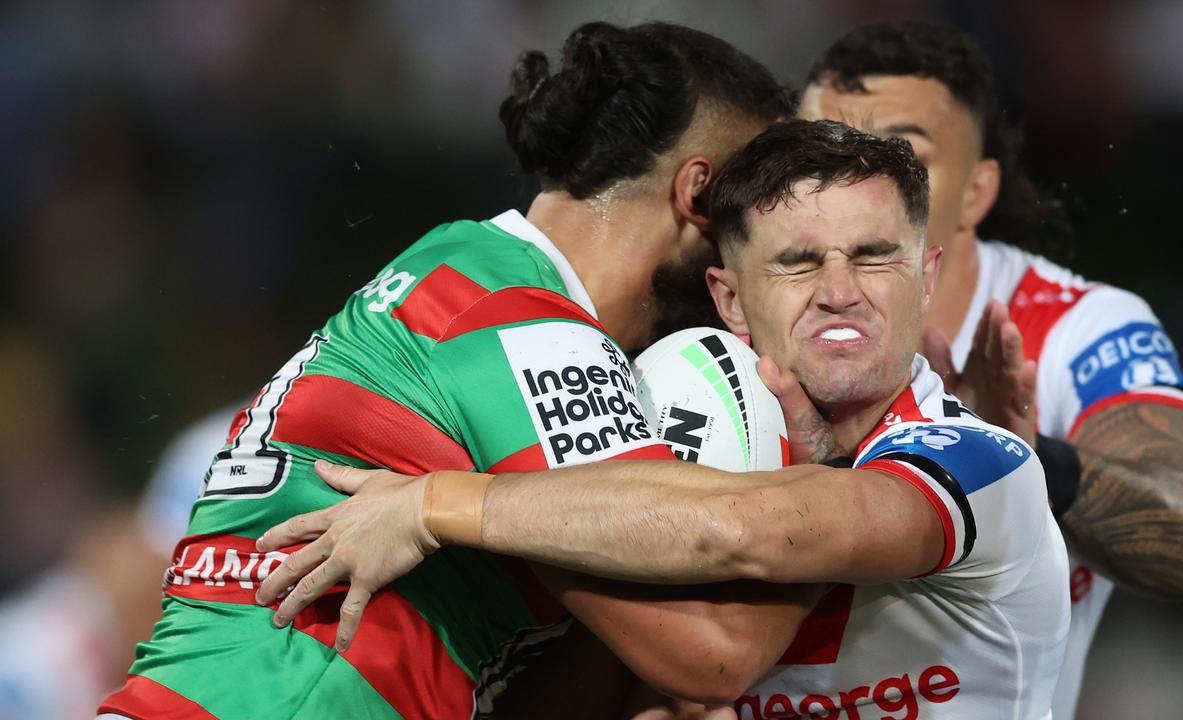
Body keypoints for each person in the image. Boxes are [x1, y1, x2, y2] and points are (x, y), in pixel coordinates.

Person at [98, 22, 803, 720]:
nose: (773, 254)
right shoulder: (518, 319)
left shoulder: (465, 274)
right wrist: (839, 465)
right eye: (757, 211)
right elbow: (714, 650)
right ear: (699, 194)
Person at [259, 120, 1071, 719]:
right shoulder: (694, 454)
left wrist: (432, 505)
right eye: (796, 262)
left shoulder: (978, 461)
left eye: (873, 256)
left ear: (927, 276)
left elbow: (740, 529)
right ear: (729, 300)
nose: (839, 289)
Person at [796, 21, 1183, 718]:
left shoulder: (1075, 328)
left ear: (976, 192)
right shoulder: (736, 316)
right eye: (822, 154)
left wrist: (1013, 463)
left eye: (902, 155)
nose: (854, 186)